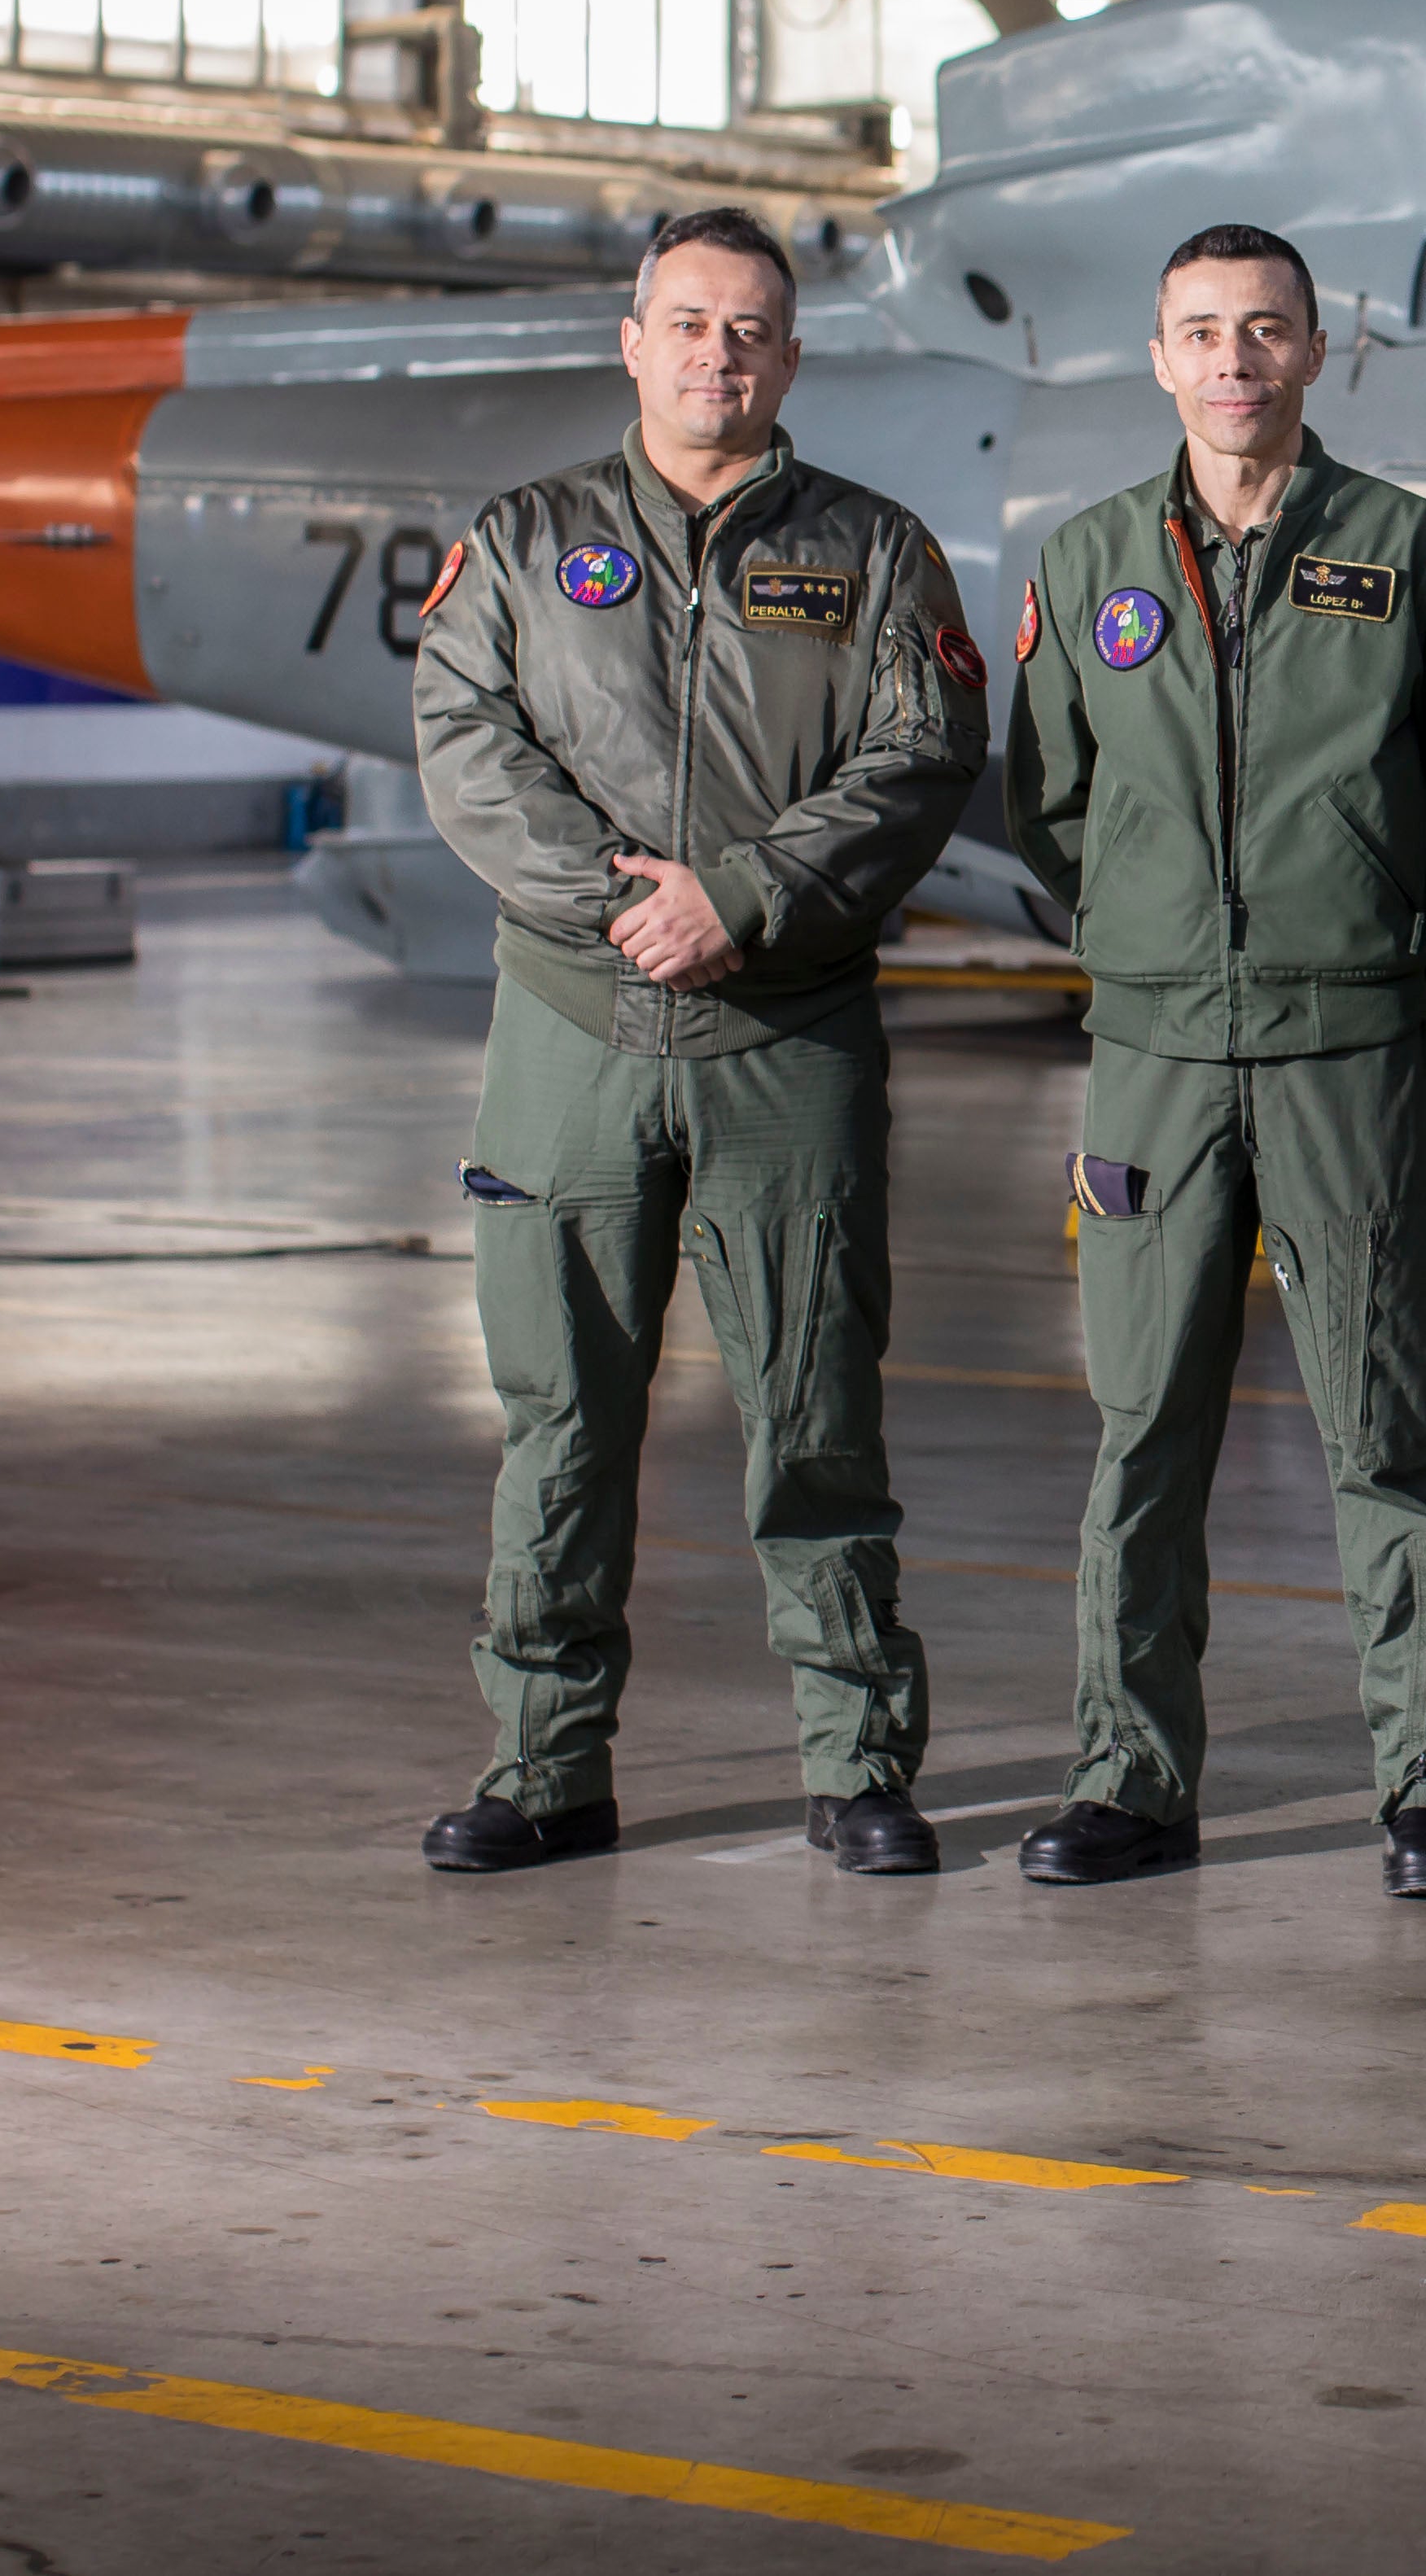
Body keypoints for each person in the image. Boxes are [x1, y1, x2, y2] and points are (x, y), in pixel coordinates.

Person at [999, 223, 1426, 1898]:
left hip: (1346, 1049)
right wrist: (1163, 939)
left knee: (1391, 1429)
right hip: (1156, 1059)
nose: (1234, 359)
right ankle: (1128, 1778)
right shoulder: (1085, 561)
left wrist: (1383, 942)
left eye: (1266, 330)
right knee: (1142, 1432)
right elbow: (1049, 800)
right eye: (1202, 332)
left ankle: (1425, 1787)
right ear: (1160, 357)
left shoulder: (1410, 555)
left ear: (1318, 353)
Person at [409, 205, 984, 1876]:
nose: (715, 352)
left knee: (815, 1417)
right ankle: (541, 1763)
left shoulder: (878, 552)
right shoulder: (524, 539)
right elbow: (462, 735)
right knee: (560, 1416)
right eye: (687, 322)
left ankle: (859, 1762)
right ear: (632, 339)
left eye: (748, 329)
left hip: (783, 1038)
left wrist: (739, 895)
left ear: (790, 358)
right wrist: (620, 905)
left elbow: (921, 750)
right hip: (573, 1034)